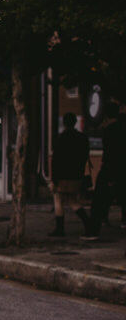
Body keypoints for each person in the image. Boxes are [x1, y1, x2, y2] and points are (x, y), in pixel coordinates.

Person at [50, 112, 95, 240]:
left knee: (58, 199)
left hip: (63, 176)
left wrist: (54, 179)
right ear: (75, 122)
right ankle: (87, 223)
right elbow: (85, 156)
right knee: (72, 200)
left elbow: (56, 160)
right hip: (76, 175)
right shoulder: (82, 138)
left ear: (64, 123)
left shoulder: (61, 138)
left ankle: (60, 228)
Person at [92, 101, 125, 231]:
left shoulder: (108, 130)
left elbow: (109, 151)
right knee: (122, 192)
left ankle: (102, 217)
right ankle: (124, 218)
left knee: (103, 193)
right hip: (122, 164)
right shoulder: (122, 128)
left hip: (111, 165)